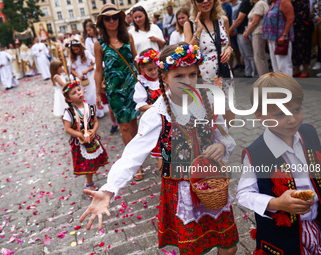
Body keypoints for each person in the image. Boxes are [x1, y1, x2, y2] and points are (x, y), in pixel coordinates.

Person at [79, 43, 239, 255]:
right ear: (164, 78)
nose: (188, 82)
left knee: (228, 244)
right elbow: (132, 156)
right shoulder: (157, 114)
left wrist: (221, 145)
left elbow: (224, 135)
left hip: (212, 183)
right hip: (182, 189)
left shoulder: (207, 100)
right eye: (179, 76)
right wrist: (109, 189)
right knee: (192, 248)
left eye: (192, 74)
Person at [236, 72, 321, 254]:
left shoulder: (309, 132)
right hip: (285, 237)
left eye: (296, 110)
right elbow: (243, 194)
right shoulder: (255, 153)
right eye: (281, 114)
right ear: (260, 115)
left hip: (316, 223)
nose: (291, 119)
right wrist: (276, 203)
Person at [94, 3, 140, 147]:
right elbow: (98, 70)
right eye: (107, 19)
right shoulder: (99, 43)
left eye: (115, 17)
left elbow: (136, 60)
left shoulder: (128, 37)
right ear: (102, 22)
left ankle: (136, 157)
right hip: (114, 91)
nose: (112, 21)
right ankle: (133, 163)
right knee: (124, 126)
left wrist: (147, 80)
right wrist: (97, 94)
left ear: (119, 19)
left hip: (132, 86)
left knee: (133, 122)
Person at [185, 0, 236, 127]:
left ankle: (226, 144)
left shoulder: (223, 20)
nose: (205, 1)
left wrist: (229, 50)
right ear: (194, 2)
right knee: (210, 119)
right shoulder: (189, 24)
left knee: (229, 116)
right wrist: (198, 30)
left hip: (224, 75)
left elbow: (228, 45)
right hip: (204, 79)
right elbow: (187, 54)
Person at [62, 81, 108, 191]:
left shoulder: (90, 107)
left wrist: (93, 130)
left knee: (93, 161)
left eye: (79, 90)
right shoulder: (69, 112)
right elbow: (67, 128)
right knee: (86, 163)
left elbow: (95, 122)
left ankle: (90, 179)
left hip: (91, 139)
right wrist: (80, 134)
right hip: (80, 143)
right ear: (69, 99)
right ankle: (89, 183)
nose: (78, 93)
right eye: (74, 93)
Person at [133, 48, 162, 178]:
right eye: (150, 70)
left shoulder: (165, 76)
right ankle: (166, 180)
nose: (154, 71)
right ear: (142, 69)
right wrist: (155, 108)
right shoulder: (142, 84)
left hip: (173, 118)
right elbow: (140, 105)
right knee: (162, 153)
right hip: (156, 122)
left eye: (156, 68)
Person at [69, 40, 105, 118]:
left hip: (89, 75)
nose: (76, 51)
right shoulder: (73, 57)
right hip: (80, 77)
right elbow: (72, 69)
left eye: (77, 49)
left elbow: (94, 64)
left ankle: (97, 112)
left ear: (80, 47)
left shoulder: (86, 53)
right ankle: (89, 113)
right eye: (74, 50)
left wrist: (87, 70)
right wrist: (78, 76)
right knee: (83, 95)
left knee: (92, 93)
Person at [262, 0, 294, 77]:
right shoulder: (272, 4)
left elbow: (290, 19)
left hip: (281, 39)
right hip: (271, 39)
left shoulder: (284, 2)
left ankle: (288, 86)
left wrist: (284, 35)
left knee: (284, 65)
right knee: (275, 66)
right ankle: (279, 85)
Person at [229, 0, 257, 77]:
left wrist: (230, 30)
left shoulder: (246, 2)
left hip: (244, 32)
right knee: (245, 54)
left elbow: (239, 19)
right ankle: (248, 72)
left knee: (249, 54)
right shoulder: (244, 2)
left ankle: (254, 73)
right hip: (240, 31)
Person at [243, 0, 269, 76]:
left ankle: (264, 78)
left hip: (258, 32)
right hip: (256, 32)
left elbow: (255, 22)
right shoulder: (257, 4)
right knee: (259, 56)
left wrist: (247, 33)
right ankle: (264, 77)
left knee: (259, 57)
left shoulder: (260, 3)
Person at [292, 0, 312, 78]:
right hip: (293, 28)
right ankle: (296, 69)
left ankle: (305, 70)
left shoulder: (304, 1)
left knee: (304, 49)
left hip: (303, 29)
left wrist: (292, 16)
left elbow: (305, 15)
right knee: (294, 50)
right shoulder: (292, 2)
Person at [229, 0, 243, 69]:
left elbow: (239, 18)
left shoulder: (239, 4)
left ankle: (243, 63)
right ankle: (238, 62)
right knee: (234, 47)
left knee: (240, 48)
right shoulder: (230, 5)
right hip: (232, 28)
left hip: (237, 28)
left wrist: (233, 29)